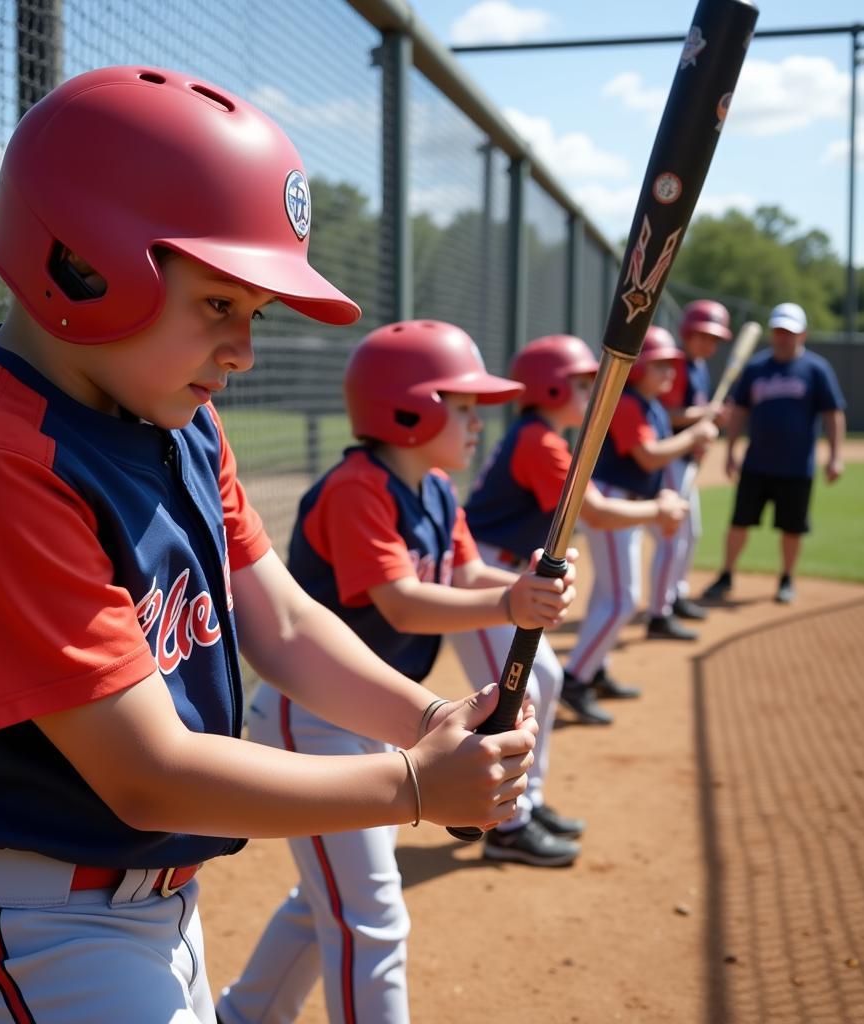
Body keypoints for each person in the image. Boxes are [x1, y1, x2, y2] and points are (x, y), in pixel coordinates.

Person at [0, 68, 543, 1024]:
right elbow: (147, 774)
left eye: (252, 315)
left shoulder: (178, 423)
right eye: (219, 305)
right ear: (84, 264)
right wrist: (414, 786)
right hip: (16, 928)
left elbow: (286, 623)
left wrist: (431, 720)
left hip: (133, 910)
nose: (244, 351)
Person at [217, 320, 576, 1024]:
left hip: (376, 713)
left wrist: (522, 585)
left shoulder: (439, 490)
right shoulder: (358, 489)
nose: (478, 424)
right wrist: (505, 602)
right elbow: (402, 605)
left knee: (335, 895)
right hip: (312, 717)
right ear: (408, 410)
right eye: (464, 407)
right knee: (370, 916)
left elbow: (465, 571)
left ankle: (245, 1014)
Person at [454, 334, 686, 835]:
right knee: (512, 696)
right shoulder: (537, 439)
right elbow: (597, 513)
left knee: (550, 681)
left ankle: (525, 805)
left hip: (509, 570)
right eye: (583, 385)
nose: (592, 394)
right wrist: (658, 508)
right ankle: (505, 828)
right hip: (478, 576)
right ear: (552, 390)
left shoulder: (545, 437)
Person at [560, 326, 719, 725]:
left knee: (607, 595)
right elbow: (647, 457)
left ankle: (594, 670)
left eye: (671, 364)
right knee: (622, 599)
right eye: (660, 364)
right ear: (640, 368)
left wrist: (693, 440)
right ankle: (575, 679)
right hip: (613, 501)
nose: (669, 371)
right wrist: (693, 436)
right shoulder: (629, 401)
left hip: (629, 502)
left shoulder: (653, 406)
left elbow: (659, 457)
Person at [701, 302, 846, 605]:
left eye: (789, 332)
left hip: (796, 467)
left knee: (792, 528)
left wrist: (836, 455)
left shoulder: (816, 369)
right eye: (778, 331)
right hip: (756, 463)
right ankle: (726, 574)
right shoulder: (755, 368)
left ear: (802, 334)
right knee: (739, 522)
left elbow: (833, 414)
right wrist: (730, 451)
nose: (782, 337)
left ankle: (786, 578)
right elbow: (739, 411)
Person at [646, 300, 732, 640]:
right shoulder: (677, 364)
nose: (708, 344)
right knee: (675, 538)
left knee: (690, 533)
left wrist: (705, 419)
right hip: (668, 461)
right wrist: (703, 415)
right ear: (687, 333)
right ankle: (660, 611)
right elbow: (667, 414)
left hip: (685, 461)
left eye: (714, 339)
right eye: (702, 336)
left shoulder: (698, 366)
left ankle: (675, 595)